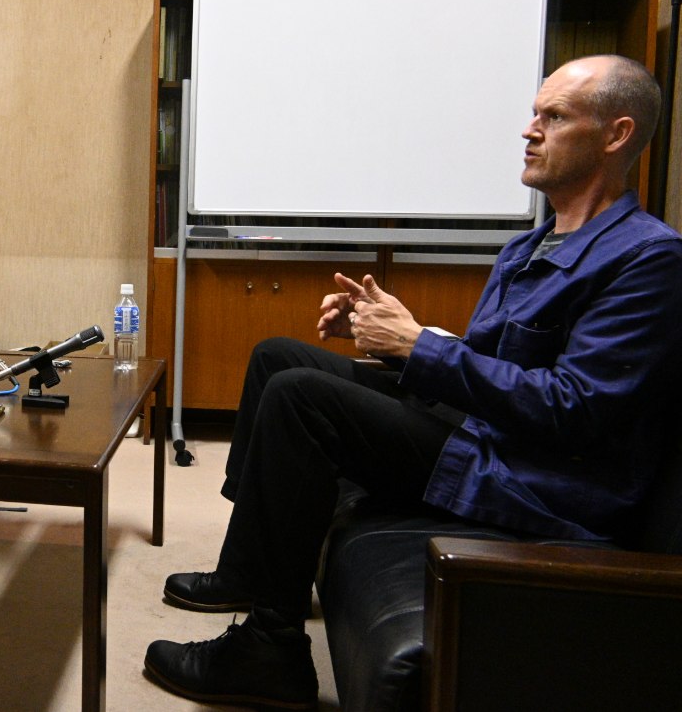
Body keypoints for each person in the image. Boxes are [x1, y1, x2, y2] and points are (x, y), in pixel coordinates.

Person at [143, 54, 682, 709]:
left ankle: (269, 649)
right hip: (486, 434)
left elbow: (574, 409)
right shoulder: (530, 245)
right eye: (534, 113)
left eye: (555, 116)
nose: (530, 129)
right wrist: (393, 335)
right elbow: (486, 362)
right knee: (279, 358)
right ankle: (248, 571)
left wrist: (418, 345)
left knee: (301, 400)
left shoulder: (648, 259)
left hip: (535, 479)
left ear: (617, 135)